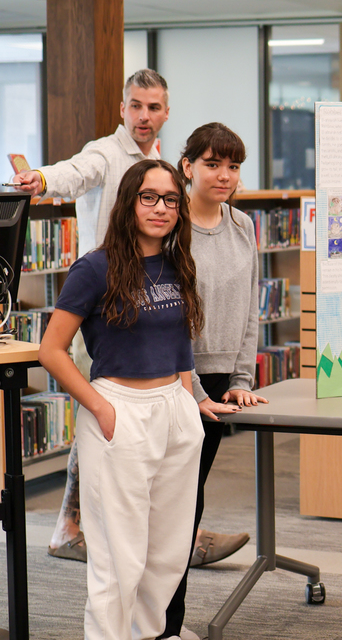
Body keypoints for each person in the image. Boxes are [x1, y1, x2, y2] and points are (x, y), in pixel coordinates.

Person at [37, 159, 205, 640]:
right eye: (148, 196)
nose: (160, 207)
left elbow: (180, 345)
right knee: (119, 557)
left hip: (174, 409)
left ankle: (147, 634)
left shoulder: (179, 263)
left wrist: (193, 400)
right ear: (129, 201)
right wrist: (101, 406)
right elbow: (52, 350)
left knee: (167, 552)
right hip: (118, 412)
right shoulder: (94, 267)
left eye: (171, 199)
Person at [14, 69, 171, 562]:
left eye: (153, 107)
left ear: (165, 112)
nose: (143, 116)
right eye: (135, 106)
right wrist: (41, 179)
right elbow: (75, 171)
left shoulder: (157, 160)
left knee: (122, 416)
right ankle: (79, 525)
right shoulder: (107, 151)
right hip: (103, 306)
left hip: (146, 301)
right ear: (122, 109)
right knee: (104, 414)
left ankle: (74, 523)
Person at [158, 122, 268, 640]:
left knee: (190, 503)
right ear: (187, 167)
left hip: (219, 381)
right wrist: (195, 390)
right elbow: (168, 314)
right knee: (170, 509)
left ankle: (167, 627)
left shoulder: (243, 225)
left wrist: (241, 378)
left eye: (233, 166)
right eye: (212, 164)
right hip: (172, 379)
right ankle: (160, 627)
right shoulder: (169, 224)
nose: (224, 175)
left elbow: (250, 309)